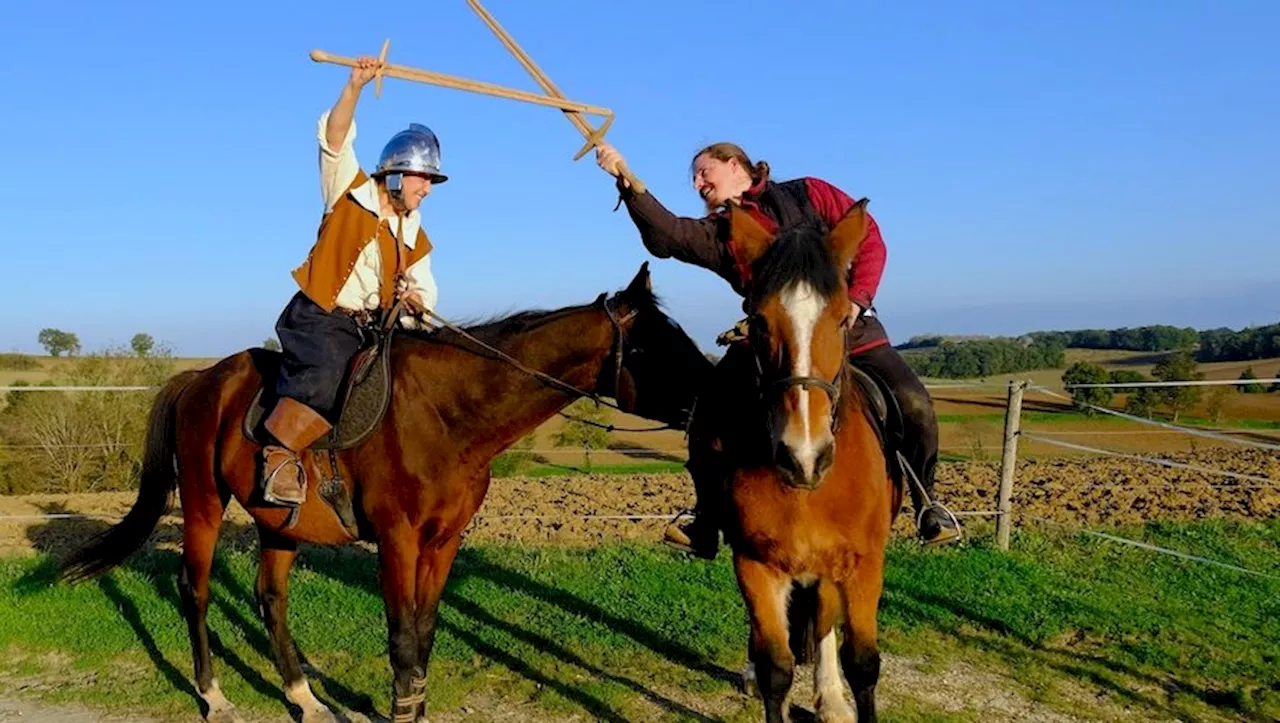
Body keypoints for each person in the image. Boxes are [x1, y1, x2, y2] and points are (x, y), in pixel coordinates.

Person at [594, 140, 961, 555]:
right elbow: (668, 236)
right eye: (694, 178)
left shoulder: (809, 192)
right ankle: (706, 518)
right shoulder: (720, 233)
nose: (697, 184)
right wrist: (625, 179)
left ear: (735, 165)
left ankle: (928, 503)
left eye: (703, 172)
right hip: (767, 345)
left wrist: (858, 298)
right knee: (707, 411)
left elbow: (868, 235)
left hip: (848, 331)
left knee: (913, 403)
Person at [260, 56, 447, 506]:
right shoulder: (348, 189)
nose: (428, 189)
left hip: (370, 328)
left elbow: (428, 290)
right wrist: (354, 87)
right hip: (319, 317)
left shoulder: (414, 232)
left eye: (431, 182)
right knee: (328, 371)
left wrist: (416, 298)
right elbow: (335, 139)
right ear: (399, 173)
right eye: (425, 179)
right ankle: (278, 456)